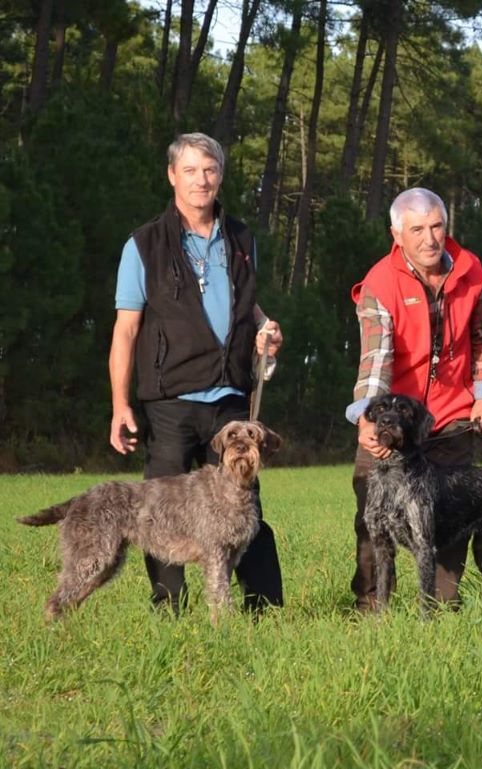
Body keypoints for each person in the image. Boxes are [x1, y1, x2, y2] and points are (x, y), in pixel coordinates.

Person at [109, 132, 285, 614]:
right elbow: (125, 331)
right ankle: (170, 607)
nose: (200, 180)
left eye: (209, 170)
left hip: (230, 399)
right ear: (172, 176)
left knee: (245, 505)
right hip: (169, 399)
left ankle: (264, 608)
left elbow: (245, 307)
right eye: (189, 170)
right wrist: (120, 405)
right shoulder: (143, 244)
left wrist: (265, 326)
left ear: (220, 176)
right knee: (160, 509)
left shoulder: (243, 238)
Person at [347, 187, 482, 611]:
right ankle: (371, 609)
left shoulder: (471, 270)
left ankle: (441, 609)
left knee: (448, 526)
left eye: (436, 226)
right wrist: (368, 422)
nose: (429, 238)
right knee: (372, 524)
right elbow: (375, 358)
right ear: (396, 234)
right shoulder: (380, 281)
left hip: (452, 418)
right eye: (417, 229)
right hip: (395, 420)